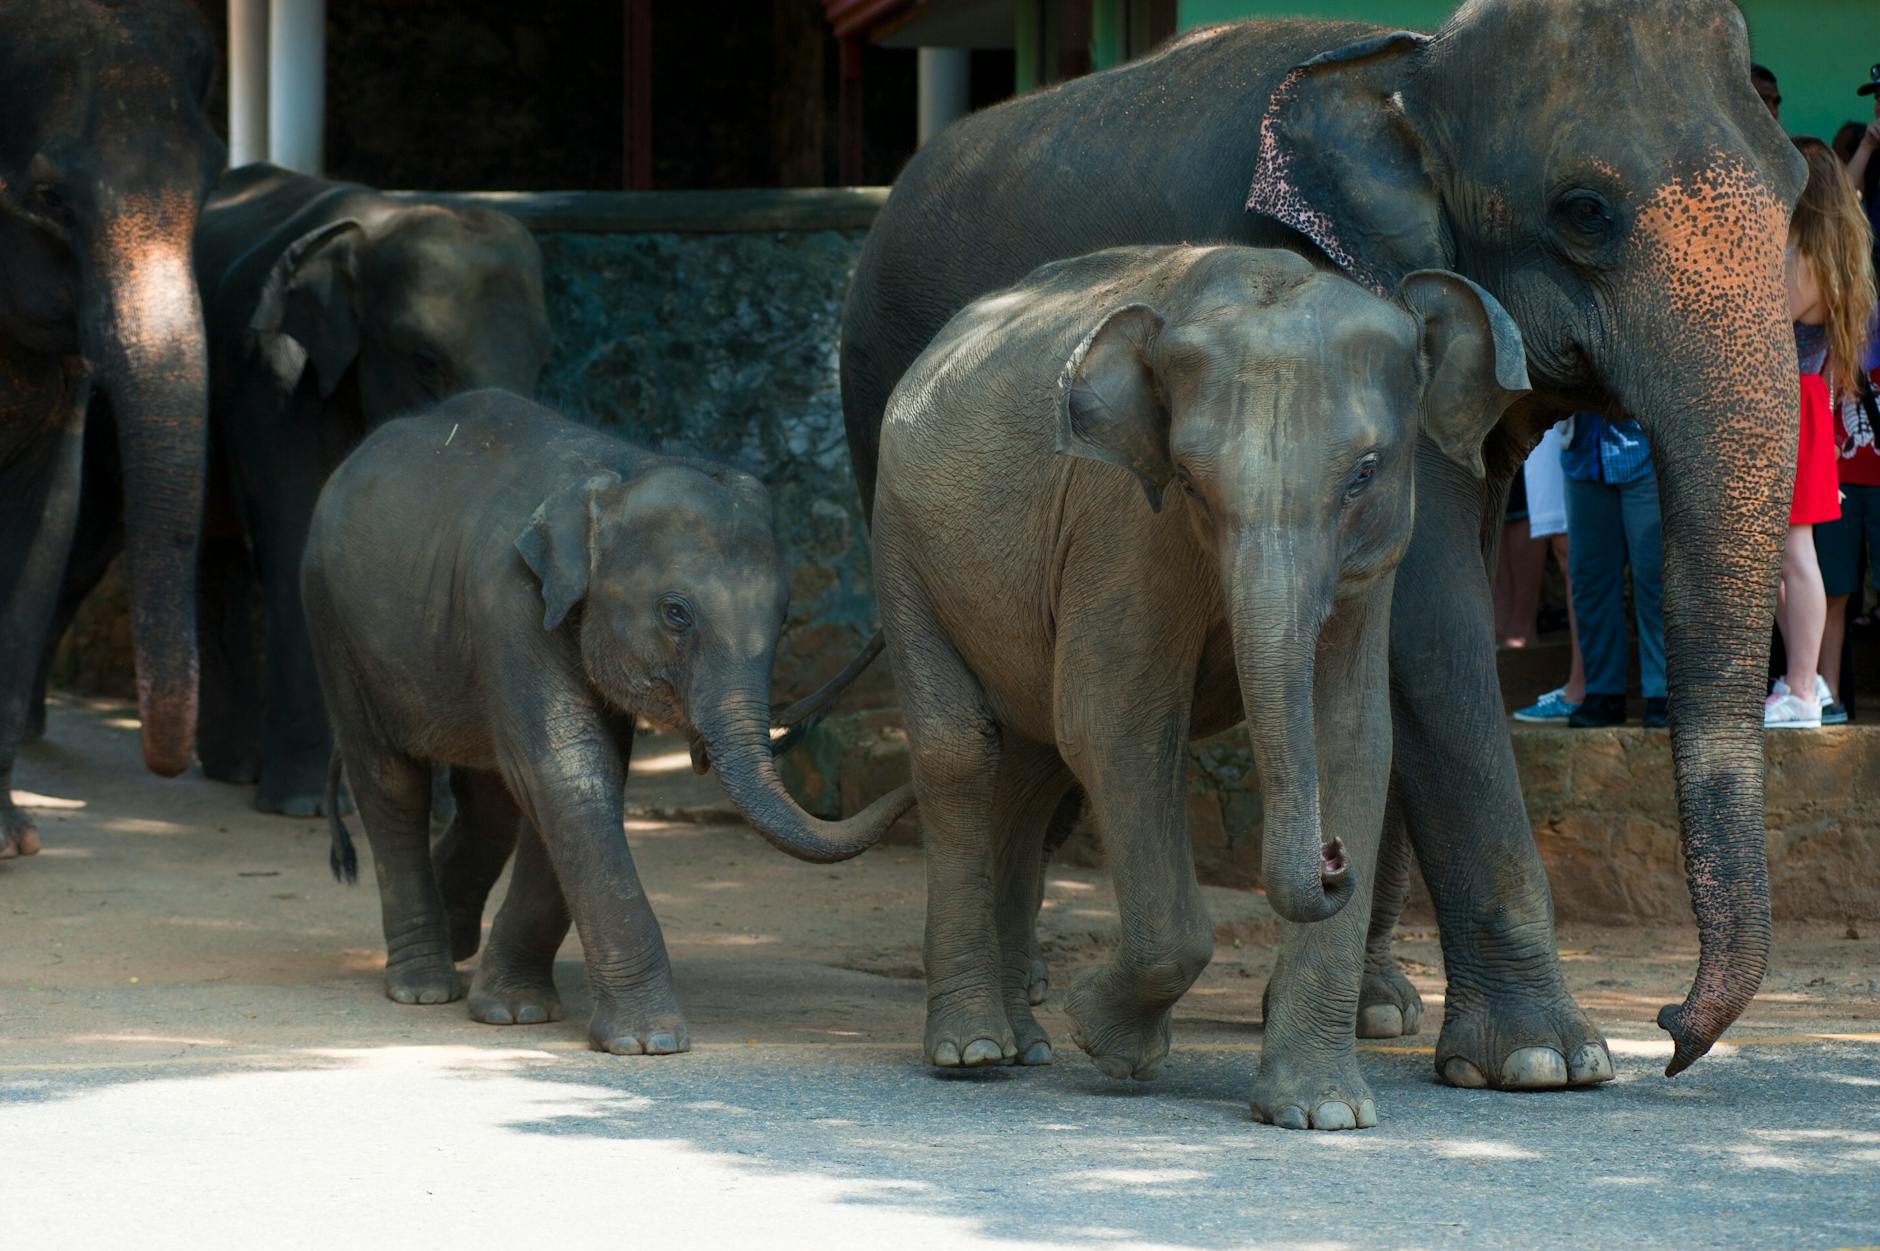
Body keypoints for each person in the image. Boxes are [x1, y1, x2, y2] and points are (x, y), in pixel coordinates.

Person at [1770, 139, 1871, 728]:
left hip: (1796, 406)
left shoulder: (1803, 256)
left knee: (1795, 554)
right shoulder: (1826, 249)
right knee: (1787, 558)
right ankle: (1806, 681)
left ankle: (1804, 690)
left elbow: (1769, 310)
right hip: (1803, 404)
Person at [1559, 411, 1665, 729]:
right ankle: (1603, 693)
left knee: (1655, 578)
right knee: (1590, 580)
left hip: (1645, 448)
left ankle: (1663, 692)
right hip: (1582, 453)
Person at [1512, 422, 1588, 722]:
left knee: (1575, 547)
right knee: (1563, 544)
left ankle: (1582, 687)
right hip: (1550, 422)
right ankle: (1579, 684)